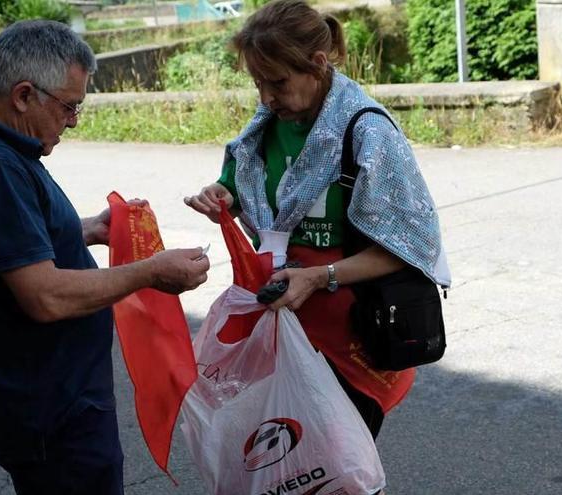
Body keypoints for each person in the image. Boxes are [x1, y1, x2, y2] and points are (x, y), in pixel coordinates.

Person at [0, 20, 210, 495]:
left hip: (47, 402)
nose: (73, 120)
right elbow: (45, 297)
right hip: (51, 414)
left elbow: (4, 243)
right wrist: (150, 271)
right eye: (69, 106)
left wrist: (85, 230)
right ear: (23, 95)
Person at [184, 0, 450, 470]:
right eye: (258, 83)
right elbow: (239, 185)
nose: (266, 97)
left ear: (317, 65)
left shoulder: (367, 133)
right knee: (283, 469)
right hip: (283, 334)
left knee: (328, 473)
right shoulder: (265, 129)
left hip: (351, 345)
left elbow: (409, 247)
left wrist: (319, 276)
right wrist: (221, 196)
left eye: (278, 82)